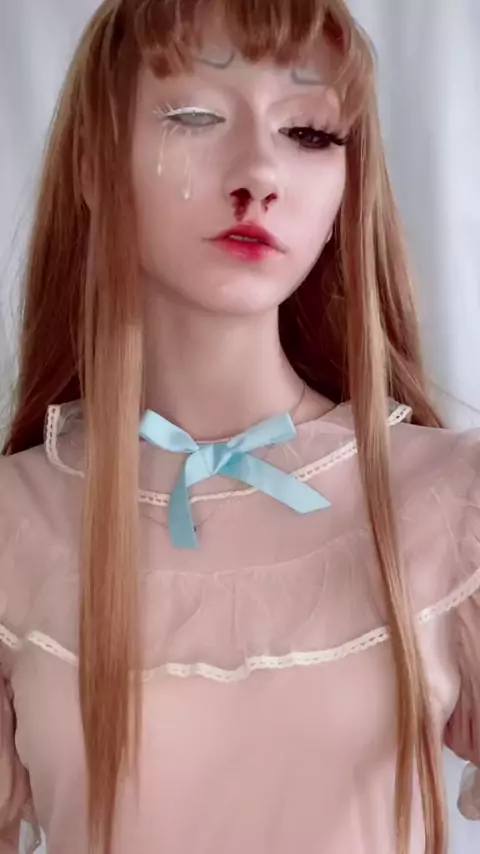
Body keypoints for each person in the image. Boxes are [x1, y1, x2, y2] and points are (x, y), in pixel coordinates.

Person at [0, 0, 478, 852]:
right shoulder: (15, 526)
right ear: (93, 164)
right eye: (193, 116)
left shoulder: (453, 507)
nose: (258, 172)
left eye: (308, 132)